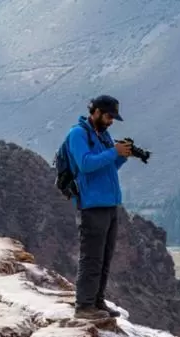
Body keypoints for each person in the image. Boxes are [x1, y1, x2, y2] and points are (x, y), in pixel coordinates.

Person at [62, 95, 133, 320]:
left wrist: (122, 156)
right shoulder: (78, 134)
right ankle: (84, 306)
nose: (112, 120)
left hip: (109, 204)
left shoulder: (103, 134)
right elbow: (85, 164)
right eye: (109, 116)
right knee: (91, 257)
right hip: (92, 205)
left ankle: (97, 301)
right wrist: (114, 152)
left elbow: (107, 168)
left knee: (105, 256)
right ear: (97, 112)